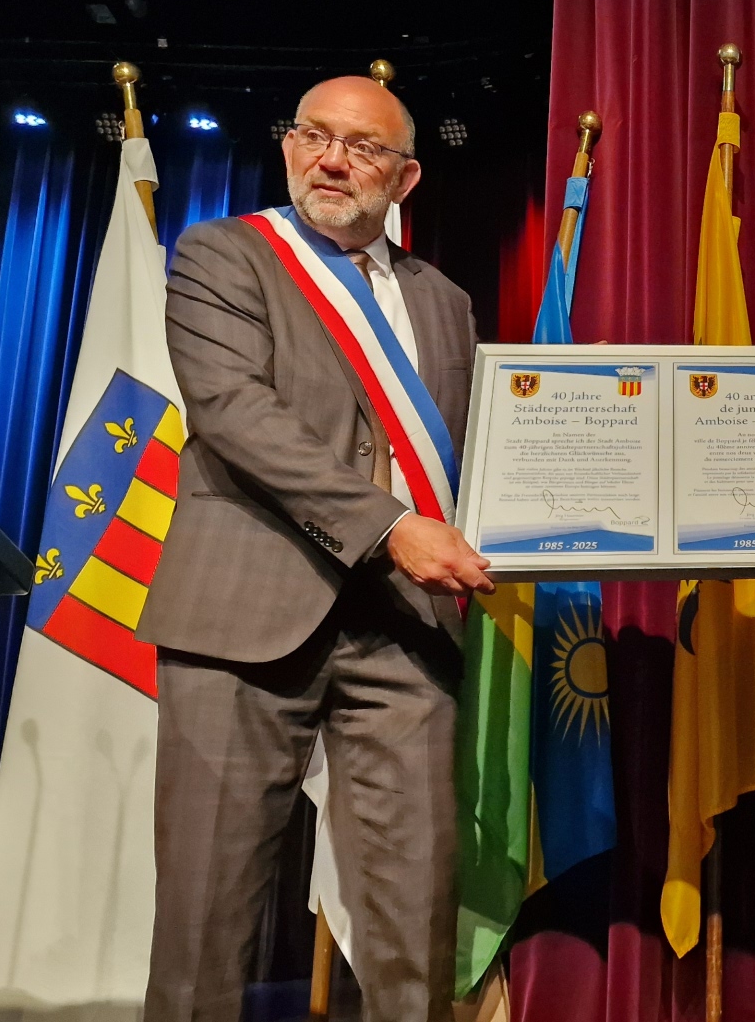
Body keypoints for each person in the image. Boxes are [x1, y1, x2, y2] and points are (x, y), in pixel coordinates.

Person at [135, 75, 492, 1022]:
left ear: (405, 177)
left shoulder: (446, 301)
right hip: (242, 615)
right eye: (313, 136)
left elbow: (482, 453)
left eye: (363, 147)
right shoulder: (222, 255)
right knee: (205, 923)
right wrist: (391, 527)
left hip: (407, 634)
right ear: (290, 145)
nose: (332, 160)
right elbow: (236, 415)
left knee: (417, 919)